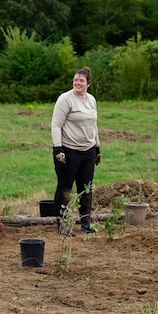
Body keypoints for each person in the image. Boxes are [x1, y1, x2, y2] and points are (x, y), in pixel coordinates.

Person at [51, 67, 100, 235]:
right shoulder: (65, 99)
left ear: (88, 84)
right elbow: (56, 124)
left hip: (88, 150)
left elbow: (93, 125)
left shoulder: (91, 100)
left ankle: (86, 223)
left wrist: (97, 147)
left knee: (86, 188)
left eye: (81, 81)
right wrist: (58, 148)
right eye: (75, 80)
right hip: (68, 151)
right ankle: (63, 225)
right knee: (65, 188)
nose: (77, 83)